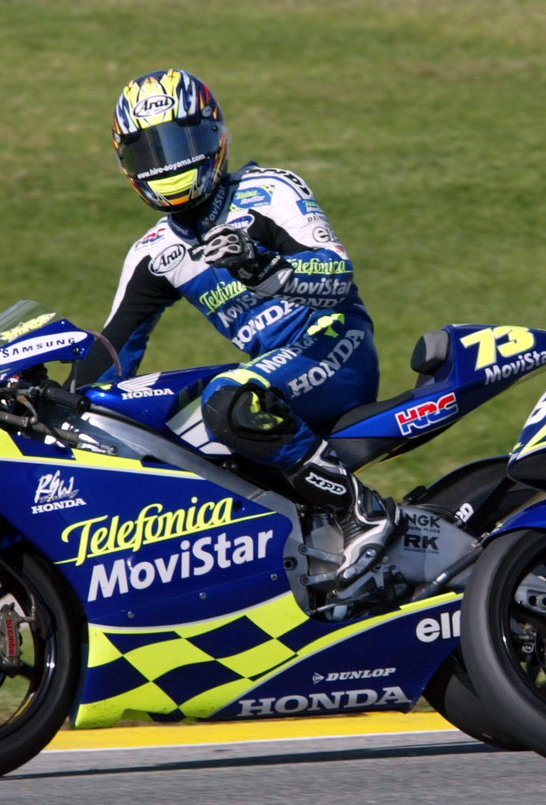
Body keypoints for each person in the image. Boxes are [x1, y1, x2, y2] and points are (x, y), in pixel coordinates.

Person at [72, 68, 399, 587]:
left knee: (228, 399)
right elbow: (111, 349)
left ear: (213, 134)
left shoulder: (268, 191)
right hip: (275, 376)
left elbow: (337, 275)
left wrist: (259, 265)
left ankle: (361, 511)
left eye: (178, 142)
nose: (167, 162)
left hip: (336, 347)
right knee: (170, 434)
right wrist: (50, 396)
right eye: (148, 152)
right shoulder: (155, 254)